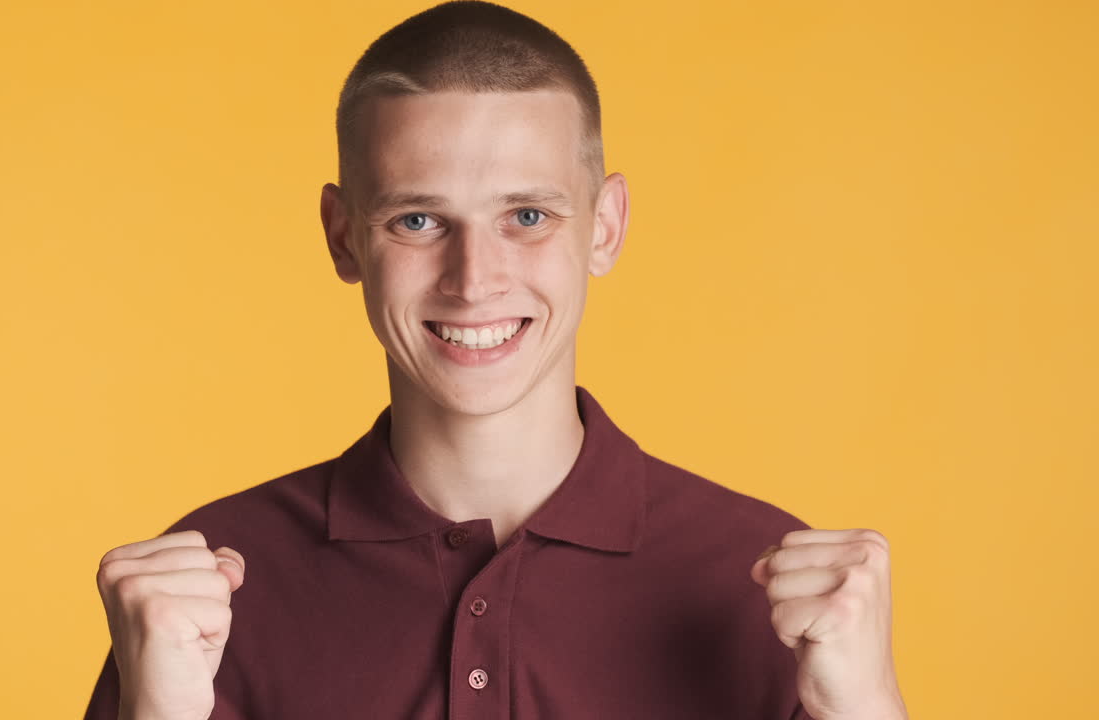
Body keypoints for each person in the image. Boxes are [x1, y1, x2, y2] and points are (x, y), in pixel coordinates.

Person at [85, 2, 908, 719]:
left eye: (526, 214)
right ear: (343, 237)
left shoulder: (769, 583)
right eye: (417, 221)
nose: (474, 280)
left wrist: (866, 710)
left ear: (606, 226)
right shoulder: (213, 591)